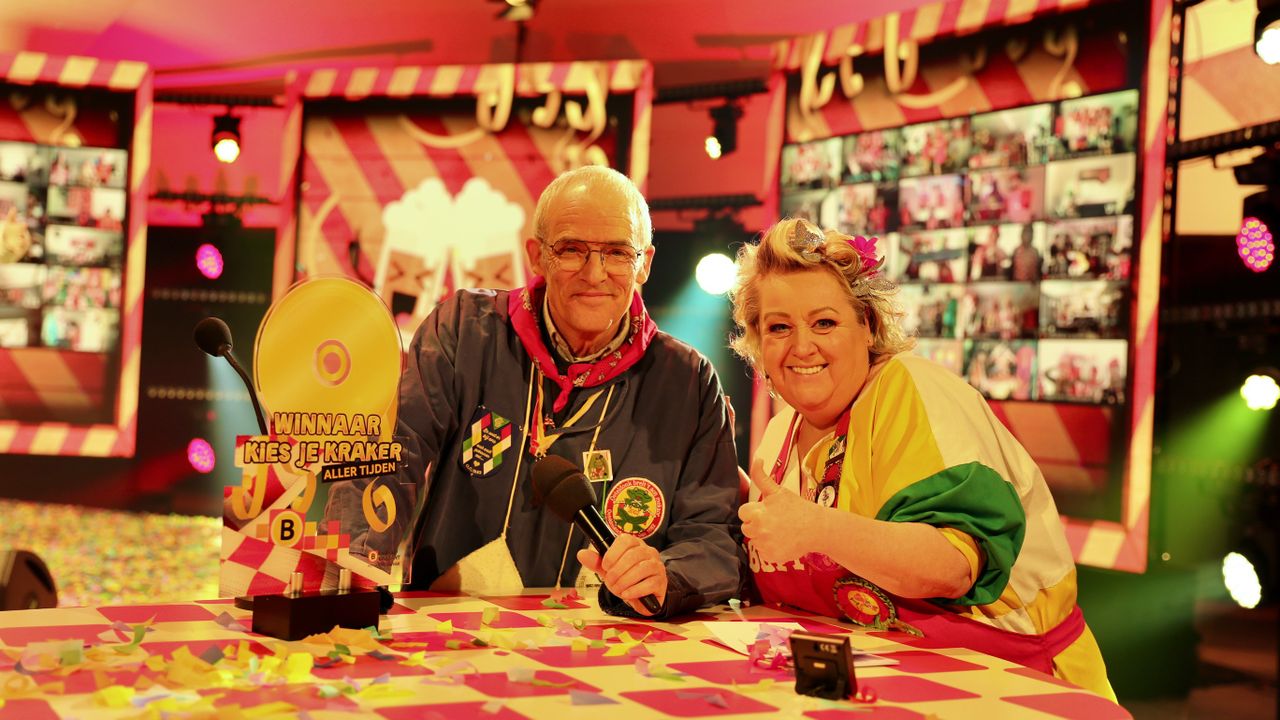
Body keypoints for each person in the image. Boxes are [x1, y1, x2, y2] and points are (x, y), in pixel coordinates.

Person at [326, 166, 742, 618]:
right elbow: (387, 456)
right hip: (453, 631)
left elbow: (713, 537)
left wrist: (669, 576)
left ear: (645, 264)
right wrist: (353, 574)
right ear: (537, 256)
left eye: (618, 253)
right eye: (571, 250)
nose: (595, 273)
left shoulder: (689, 381)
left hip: (611, 644)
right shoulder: (464, 331)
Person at [728, 217, 1113, 698]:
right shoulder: (781, 431)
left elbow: (951, 567)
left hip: (1008, 689)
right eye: (779, 327)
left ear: (868, 326)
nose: (802, 346)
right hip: (882, 690)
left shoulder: (908, 388)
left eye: (824, 322)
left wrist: (813, 528)